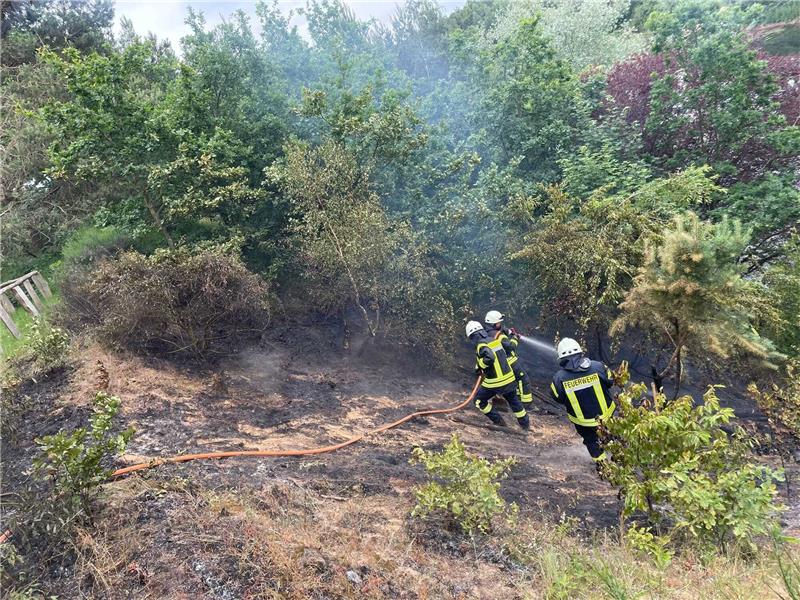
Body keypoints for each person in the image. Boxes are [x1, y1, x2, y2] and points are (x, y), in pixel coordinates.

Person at [549, 338, 615, 463]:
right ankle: (621, 462)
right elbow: (611, 381)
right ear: (580, 352)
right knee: (614, 436)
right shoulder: (598, 366)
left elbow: (557, 397)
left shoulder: (559, 378)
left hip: (583, 422)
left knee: (591, 442)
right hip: (607, 415)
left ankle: (603, 467)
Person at [466, 320, 530, 430]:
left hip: (495, 382)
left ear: (473, 335)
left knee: (479, 401)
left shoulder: (481, 344)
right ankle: (525, 425)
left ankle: (499, 422)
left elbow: (490, 358)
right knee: (514, 402)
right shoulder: (494, 341)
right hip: (509, 379)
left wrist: (480, 365)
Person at [484, 310, 533, 407]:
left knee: (515, 382)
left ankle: (518, 400)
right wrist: (515, 338)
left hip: (500, 364)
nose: (500, 324)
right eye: (498, 322)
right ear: (494, 324)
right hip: (509, 360)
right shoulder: (499, 336)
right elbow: (510, 346)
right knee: (523, 379)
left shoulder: (487, 333)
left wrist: (509, 331)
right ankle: (526, 404)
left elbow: (502, 329)